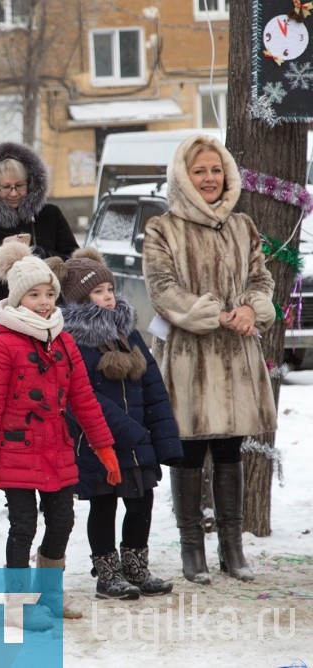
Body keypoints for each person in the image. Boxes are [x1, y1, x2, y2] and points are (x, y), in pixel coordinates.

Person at [142, 134, 277, 584]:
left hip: (236, 357)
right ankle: (191, 549)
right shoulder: (163, 228)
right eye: (199, 171)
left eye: (216, 170)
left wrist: (250, 309)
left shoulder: (243, 225)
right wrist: (216, 315)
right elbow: (161, 290)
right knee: (188, 451)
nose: (209, 179)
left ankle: (233, 548)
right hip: (189, 358)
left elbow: (261, 279)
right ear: (183, 176)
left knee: (230, 449)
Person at [0, 240, 119, 622]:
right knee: (23, 526)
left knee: (62, 521)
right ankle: (17, 607)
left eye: (49, 293)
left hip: (56, 449)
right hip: (15, 451)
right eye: (34, 294)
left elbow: (84, 399)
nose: (43, 301)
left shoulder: (64, 340)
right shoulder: (1, 346)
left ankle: (49, 595)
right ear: (18, 299)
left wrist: (104, 447)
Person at [46, 248, 183, 600]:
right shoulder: (72, 339)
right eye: (98, 292)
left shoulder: (128, 332)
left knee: (141, 503)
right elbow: (85, 396)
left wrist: (162, 438)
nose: (108, 297)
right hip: (99, 442)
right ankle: (107, 573)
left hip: (138, 442)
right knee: (104, 505)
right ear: (79, 299)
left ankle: (136, 565)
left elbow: (153, 386)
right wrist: (129, 431)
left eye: (109, 289)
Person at [0, 141, 79, 343]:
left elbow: (73, 264)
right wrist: (1, 255)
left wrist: (37, 254)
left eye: (19, 186)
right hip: (3, 326)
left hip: (49, 321)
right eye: (6, 187)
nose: (14, 193)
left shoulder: (50, 215)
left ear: (31, 184)